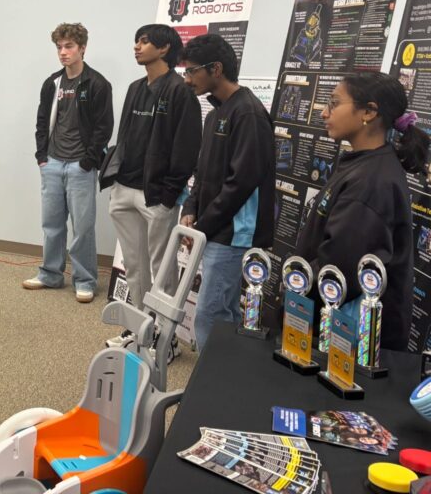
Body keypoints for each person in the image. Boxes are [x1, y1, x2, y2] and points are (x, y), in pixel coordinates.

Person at [295, 72, 427, 351]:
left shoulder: (372, 182)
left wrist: (295, 291)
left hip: (347, 341)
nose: (324, 112)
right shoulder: (364, 165)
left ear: (368, 112)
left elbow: (340, 267)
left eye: (334, 103)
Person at [104, 24, 201, 358]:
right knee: (134, 265)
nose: (137, 46)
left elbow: (187, 146)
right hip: (124, 188)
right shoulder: (135, 88)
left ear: (164, 49)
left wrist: (169, 194)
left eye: (145, 41)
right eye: (137, 40)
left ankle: (165, 338)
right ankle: (140, 328)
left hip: (157, 195)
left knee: (162, 268)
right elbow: (126, 136)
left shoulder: (180, 91)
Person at [180, 34, 275, 354]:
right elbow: (202, 172)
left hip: (234, 235)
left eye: (192, 71)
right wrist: (190, 207)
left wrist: (204, 226)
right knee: (224, 314)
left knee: (210, 317)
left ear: (216, 69)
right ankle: (227, 375)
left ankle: (213, 381)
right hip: (214, 229)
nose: (187, 79)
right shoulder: (215, 113)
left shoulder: (248, 113)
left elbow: (241, 183)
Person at [25, 22, 113, 303]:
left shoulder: (97, 84)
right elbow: (42, 121)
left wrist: (88, 161)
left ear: (82, 48)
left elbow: (103, 127)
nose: (63, 52)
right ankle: (50, 274)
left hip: (80, 166)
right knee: (51, 224)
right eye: (59, 47)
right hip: (52, 162)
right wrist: (42, 156)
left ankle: (85, 280)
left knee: (83, 227)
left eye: (69, 46)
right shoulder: (52, 83)